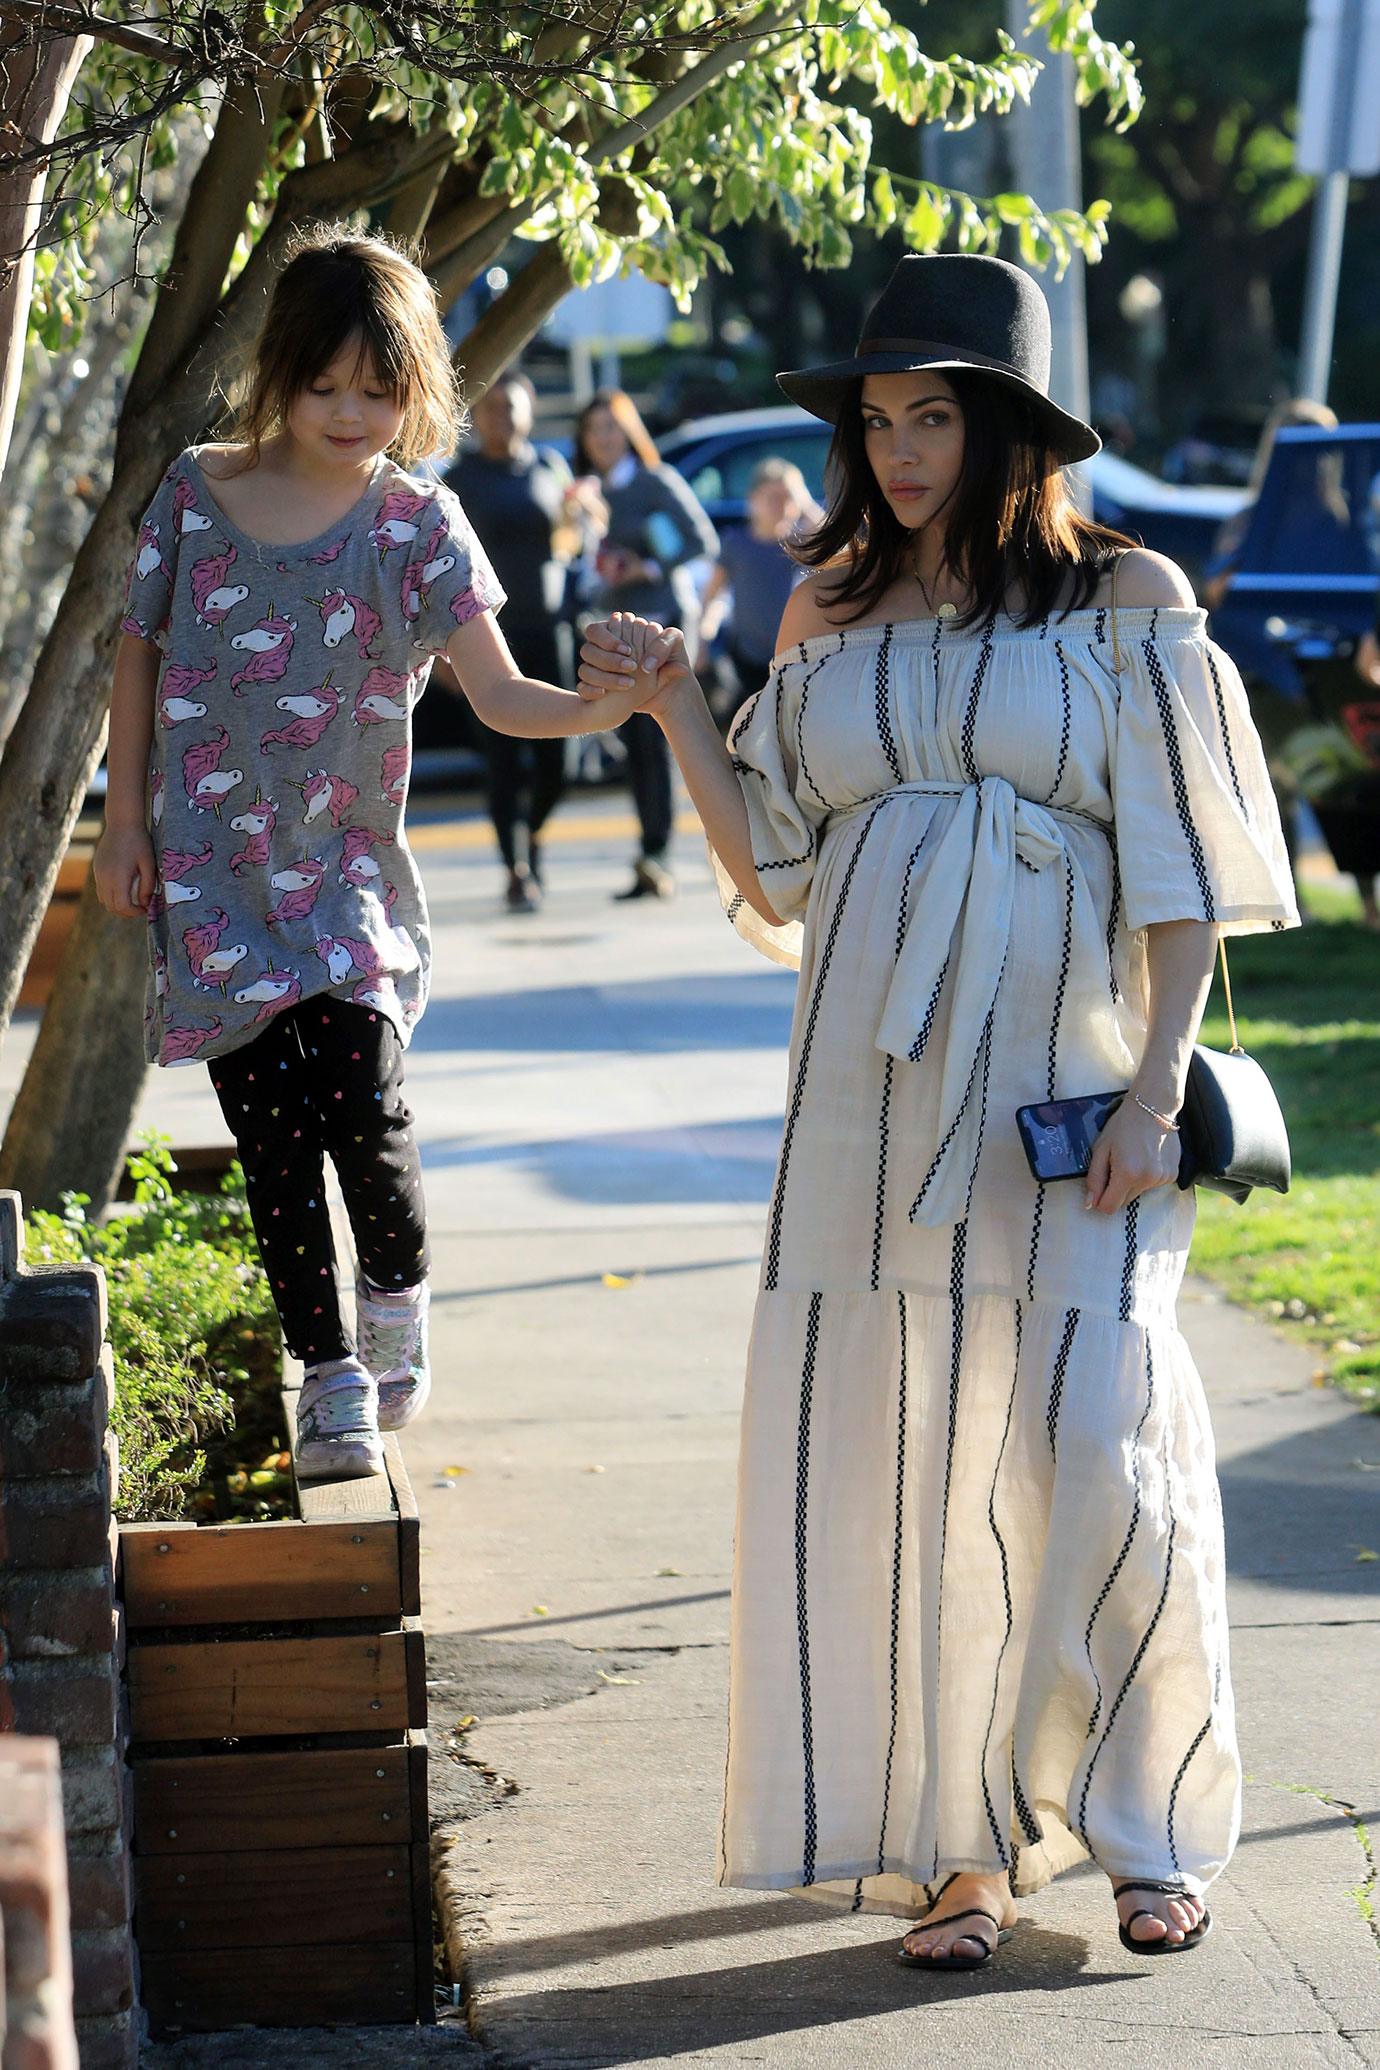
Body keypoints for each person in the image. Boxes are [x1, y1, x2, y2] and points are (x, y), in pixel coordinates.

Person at [579, 253, 1298, 1965]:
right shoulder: (826, 609)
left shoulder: (1127, 599)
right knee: (914, 1461)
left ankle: (1148, 1828)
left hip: (1071, 1095)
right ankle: (958, 1851)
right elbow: (777, 866)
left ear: (1011, 430)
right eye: (880, 420)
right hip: (870, 1103)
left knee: (1100, 1442)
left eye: (936, 418)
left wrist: (1157, 1088)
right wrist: (678, 701)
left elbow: (1185, 868)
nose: (900, 451)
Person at [94, 229, 651, 1482]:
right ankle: (330, 1376)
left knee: (364, 1101)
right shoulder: (193, 495)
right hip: (213, 881)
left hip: (346, 880)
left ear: (418, 390)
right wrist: (126, 824)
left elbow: (497, 692)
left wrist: (605, 709)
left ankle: (396, 1286)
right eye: (323, 384)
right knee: (273, 1145)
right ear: (278, 373)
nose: (349, 414)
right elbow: (137, 653)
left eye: (378, 390)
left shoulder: (415, 524)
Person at [445, 370, 595, 910]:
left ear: (529, 412)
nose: (501, 417)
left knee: (562, 762)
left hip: (550, 628)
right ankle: (516, 868)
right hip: (486, 637)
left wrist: (586, 518)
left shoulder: (550, 468)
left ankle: (531, 837)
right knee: (503, 760)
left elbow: (575, 543)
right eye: (490, 408)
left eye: (511, 407)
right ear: (476, 416)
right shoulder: (458, 480)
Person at [574, 388, 719, 900]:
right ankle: (650, 855)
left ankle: (660, 854)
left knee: (659, 744)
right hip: (617, 632)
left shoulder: (655, 480)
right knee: (636, 746)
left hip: (661, 627)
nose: (603, 438)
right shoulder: (587, 493)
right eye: (593, 430)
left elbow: (702, 541)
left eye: (611, 427)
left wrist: (648, 566)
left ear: (628, 431)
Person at [696, 458, 822, 717]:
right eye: (772, 498)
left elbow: (834, 543)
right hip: (745, 656)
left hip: (792, 658)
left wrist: (805, 501)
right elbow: (712, 596)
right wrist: (703, 642)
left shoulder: (800, 544)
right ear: (752, 499)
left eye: (788, 498)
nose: (781, 506)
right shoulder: (736, 543)